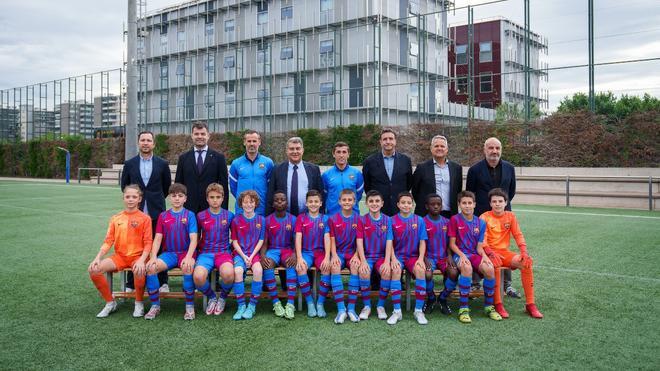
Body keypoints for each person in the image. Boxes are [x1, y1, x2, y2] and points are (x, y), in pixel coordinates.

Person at [466, 137, 520, 298]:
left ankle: (507, 285)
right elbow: (470, 193)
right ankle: (476, 284)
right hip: (480, 217)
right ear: (485, 150)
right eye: (491, 148)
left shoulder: (510, 168)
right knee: (477, 247)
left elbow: (511, 191)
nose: (494, 151)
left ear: (501, 150)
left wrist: (499, 207)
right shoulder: (474, 170)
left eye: (497, 148)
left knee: (503, 248)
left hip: (503, 216)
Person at [88, 185, 152, 318]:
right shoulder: (115, 218)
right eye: (127, 196)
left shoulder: (145, 218)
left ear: (139, 199)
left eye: (134, 197)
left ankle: (139, 303)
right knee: (94, 270)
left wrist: (141, 260)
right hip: (120, 257)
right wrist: (97, 258)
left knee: (139, 270)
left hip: (138, 256)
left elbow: (148, 243)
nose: (130, 199)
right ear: (123, 198)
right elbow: (108, 241)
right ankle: (110, 303)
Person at [120, 131, 171, 292]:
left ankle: (162, 282)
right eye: (143, 140)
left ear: (153, 144)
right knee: (134, 245)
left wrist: (155, 198)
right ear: (138, 143)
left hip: (157, 211)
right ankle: (131, 283)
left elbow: (166, 187)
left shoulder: (162, 164)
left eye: (149, 140)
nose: (146, 143)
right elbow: (125, 187)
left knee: (160, 245)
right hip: (135, 212)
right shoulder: (129, 164)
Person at [480, 188, 543, 319]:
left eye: (500, 201)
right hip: (489, 253)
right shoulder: (484, 217)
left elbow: (518, 235)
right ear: (490, 203)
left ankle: (530, 304)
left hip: (505, 253)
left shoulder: (510, 216)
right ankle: (498, 304)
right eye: (494, 201)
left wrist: (524, 252)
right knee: (495, 267)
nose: (497, 204)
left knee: (526, 263)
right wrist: (490, 253)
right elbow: (482, 240)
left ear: (506, 202)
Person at [143, 183, 198, 320]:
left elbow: (194, 239)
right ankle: (155, 306)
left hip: (186, 253)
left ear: (185, 198)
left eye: (180, 196)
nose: (177, 199)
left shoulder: (190, 215)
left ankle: (189, 307)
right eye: (174, 196)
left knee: (187, 267)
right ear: (169, 198)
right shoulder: (163, 216)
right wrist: (153, 256)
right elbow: (157, 239)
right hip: (170, 254)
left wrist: (189, 257)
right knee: (151, 267)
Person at [448, 191, 502, 324]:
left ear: (474, 204)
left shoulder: (480, 223)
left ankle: (489, 307)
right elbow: (452, 245)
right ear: (459, 205)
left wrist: (484, 256)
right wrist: (461, 255)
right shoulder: (454, 219)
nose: (467, 206)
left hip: (474, 254)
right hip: (458, 254)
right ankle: (464, 309)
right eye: (464, 203)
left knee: (489, 268)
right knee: (466, 268)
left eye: (469, 203)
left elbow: (479, 247)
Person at [388, 192, 429, 325]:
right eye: (403, 203)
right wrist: (393, 259)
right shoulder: (391, 220)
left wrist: (421, 259)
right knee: (395, 271)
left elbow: (423, 241)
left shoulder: (419, 220)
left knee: (421, 270)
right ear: (398, 204)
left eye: (409, 203)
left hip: (413, 257)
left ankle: (418, 311)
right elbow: (389, 242)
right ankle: (397, 311)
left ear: (413, 204)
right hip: (397, 256)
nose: (406, 205)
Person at [193, 183, 234, 316]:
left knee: (228, 275)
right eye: (212, 197)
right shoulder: (200, 216)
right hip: (205, 253)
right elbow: (196, 237)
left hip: (223, 253)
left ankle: (222, 297)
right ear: (207, 199)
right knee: (198, 277)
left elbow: (236, 238)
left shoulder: (229, 216)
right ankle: (211, 297)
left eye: (218, 197)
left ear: (223, 198)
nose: (215, 200)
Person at [355, 190, 393, 321]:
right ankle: (367, 306)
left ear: (382, 203)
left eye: (377, 201)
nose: (374, 203)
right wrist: (363, 261)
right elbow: (359, 242)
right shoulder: (362, 220)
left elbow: (389, 242)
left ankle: (380, 306)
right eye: (371, 201)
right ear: (366, 203)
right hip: (368, 257)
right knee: (364, 271)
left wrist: (387, 262)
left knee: (386, 271)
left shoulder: (388, 220)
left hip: (382, 257)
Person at [175, 121, 229, 213]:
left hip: (212, 209)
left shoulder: (219, 158)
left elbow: (224, 186)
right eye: (196, 134)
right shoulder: (183, 158)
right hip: (188, 209)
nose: (200, 136)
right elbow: (179, 185)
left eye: (203, 134)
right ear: (192, 136)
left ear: (208, 136)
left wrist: (223, 211)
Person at [327, 189, 363, 324]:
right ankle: (341, 310)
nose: (347, 202)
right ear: (339, 201)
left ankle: (351, 309)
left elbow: (360, 240)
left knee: (356, 267)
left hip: (353, 253)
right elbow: (331, 239)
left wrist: (356, 255)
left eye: (350, 200)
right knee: (334, 267)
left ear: (354, 202)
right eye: (344, 200)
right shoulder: (333, 219)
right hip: (339, 253)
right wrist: (334, 255)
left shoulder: (359, 219)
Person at [261, 191, 298, 319]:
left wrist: (295, 254)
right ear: (272, 203)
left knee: (291, 263)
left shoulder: (293, 219)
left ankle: (290, 304)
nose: (280, 202)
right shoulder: (267, 220)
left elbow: (296, 241)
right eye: (277, 200)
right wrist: (262, 256)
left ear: (287, 203)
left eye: (282, 199)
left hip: (287, 250)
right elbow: (264, 242)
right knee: (267, 264)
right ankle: (276, 302)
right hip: (273, 250)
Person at [230, 190, 266, 320]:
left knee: (258, 270)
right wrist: (244, 256)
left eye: (251, 202)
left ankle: (252, 306)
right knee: (238, 271)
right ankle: (241, 306)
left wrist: (251, 257)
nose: (248, 204)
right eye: (245, 202)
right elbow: (234, 241)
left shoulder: (261, 220)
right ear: (241, 203)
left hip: (254, 254)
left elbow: (261, 240)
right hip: (240, 254)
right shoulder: (236, 220)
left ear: (256, 203)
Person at [267, 137, 323, 216]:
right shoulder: (277, 169)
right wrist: (269, 217)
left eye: (298, 148)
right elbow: (270, 195)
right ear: (287, 151)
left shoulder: (314, 169)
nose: (295, 151)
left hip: (308, 217)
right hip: (284, 217)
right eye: (291, 149)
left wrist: (321, 216)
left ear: (302, 150)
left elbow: (320, 194)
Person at [422, 194, 459, 315]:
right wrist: (424, 257)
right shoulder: (422, 221)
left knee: (453, 272)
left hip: (444, 257)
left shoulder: (447, 222)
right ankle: (431, 298)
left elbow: (450, 242)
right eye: (433, 204)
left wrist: (449, 256)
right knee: (427, 274)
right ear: (427, 206)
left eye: (438, 204)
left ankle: (443, 298)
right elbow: (419, 243)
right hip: (429, 257)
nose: (436, 206)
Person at [294, 190, 329, 318]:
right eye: (310, 202)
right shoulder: (301, 218)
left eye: (316, 201)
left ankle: (320, 303)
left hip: (321, 253)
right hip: (306, 253)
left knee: (327, 267)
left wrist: (327, 257)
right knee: (301, 267)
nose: (313, 204)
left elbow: (327, 238)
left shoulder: (325, 218)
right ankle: (309, 303)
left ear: (320, 203)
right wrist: (299, 257)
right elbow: (298, 238)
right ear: (306, 203)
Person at [362, 129, 413, 216]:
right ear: (380, 142)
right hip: (379, 209)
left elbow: (409, 183)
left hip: (400, 208)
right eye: (385, 139)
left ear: (395, 141)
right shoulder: (369, 161)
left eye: (391, 138)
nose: (388, 141)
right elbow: (367, 185)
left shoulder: (406, 160)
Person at [412, 135, 463, 218]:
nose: (439, 148)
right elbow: (415, 190)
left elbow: (458, 190)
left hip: (449, 213)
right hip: (427, 214)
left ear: (447, 149)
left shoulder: (456, 168)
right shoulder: (422, 168)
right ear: (431, 149)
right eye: (436, 146)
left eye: (442, 146)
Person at [229, 130, 274, 216]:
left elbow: (271, 187)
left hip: (262, 209)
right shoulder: (236, 163)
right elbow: (233, 188)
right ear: (244, 142)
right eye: (249, 141)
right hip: (242, 210)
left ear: (259, 142)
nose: (252, 144)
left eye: (254, 141)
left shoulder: (268, 162)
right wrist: (245, 201)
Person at [322, 142, 364, 216]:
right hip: (333, 216)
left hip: (353, 216)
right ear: (333, 154)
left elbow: (359, 195)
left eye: (344, 152)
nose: (341, 155)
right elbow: (324, 196)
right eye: (338, 152)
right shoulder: (326, 175)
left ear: (348, 154)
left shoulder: (357, 173)